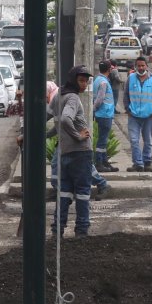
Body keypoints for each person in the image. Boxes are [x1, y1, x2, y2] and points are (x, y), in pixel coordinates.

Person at [51, 65, 94, 238]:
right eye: (81, 80)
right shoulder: (73, 98)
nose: (84, 85)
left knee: (63, 192)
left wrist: (39, 135)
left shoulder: (57, 96)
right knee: (83, 193)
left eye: (86, 81)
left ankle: (57, 230)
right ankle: (81, 232)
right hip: (81, 153)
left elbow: (54, 121)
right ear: (73, 80)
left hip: (64, 153)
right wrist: (78, 136)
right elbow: (65, 119)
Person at [125, 56, 152, 172]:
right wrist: (127, 109)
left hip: (149, 116)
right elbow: (125, 95)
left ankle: (147, 162)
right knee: (134, 140)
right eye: (138, 66)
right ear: (135, 66)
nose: (140, 68)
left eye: (142, 65)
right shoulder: (131, 78)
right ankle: (138, 164)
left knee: (148, 140)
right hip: (133, 115)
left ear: (146, 66)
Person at [93, 61, 118, 173]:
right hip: (104, 114)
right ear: (109, 70)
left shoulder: (97, 80)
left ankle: (104, 162)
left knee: (103, 139)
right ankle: (99, 163)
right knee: (102, 140)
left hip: (102, 114)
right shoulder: (103, 82)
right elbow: (100, 98)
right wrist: (94, 109)